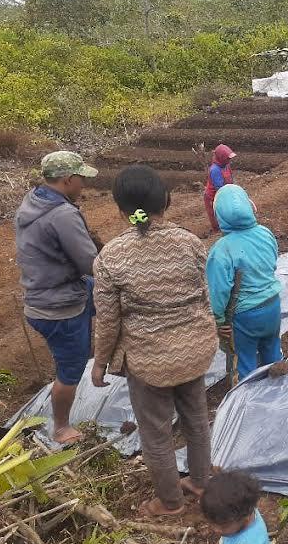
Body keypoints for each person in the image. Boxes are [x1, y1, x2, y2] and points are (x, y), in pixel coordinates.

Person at [92, 165, 218, 517]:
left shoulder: (111, 258)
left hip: (149, 362)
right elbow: (202, 298)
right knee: (196, 419)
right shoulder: (191, 243)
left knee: (156, 434)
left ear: (121, 209)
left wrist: (101, 362)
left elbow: (108, 321)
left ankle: (171, 502)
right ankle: (201, 481)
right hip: (193, 351)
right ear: (166, 200)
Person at [15, 151, 100, 445]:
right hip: (60, 307)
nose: (83, 185)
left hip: (39, 295)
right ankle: (61, 427)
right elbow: (91, 263)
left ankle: (104, 355)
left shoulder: (33, 200)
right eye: (80, 179)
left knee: (103, 296)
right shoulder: (63, 214)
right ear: (67, 179)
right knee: (70, 368)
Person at [207, 184, 283, 383]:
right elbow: (272, 263)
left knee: (245, 362)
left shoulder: (221, 250)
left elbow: (218, 293)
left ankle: (247, 406)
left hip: (245, 317)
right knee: (273, 352)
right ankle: (279, 394)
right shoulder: (265, 233)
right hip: (273, 306)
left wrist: (219, 321)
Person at [205, 144, 236, 232]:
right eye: (227, 158)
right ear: (221, 157)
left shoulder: (226, 166)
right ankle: (218, 232)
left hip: (225, 192)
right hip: (212, 197)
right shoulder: (215, 170)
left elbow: (231, 179)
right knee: (216, 216)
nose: (229, 160)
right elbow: (219, 189)